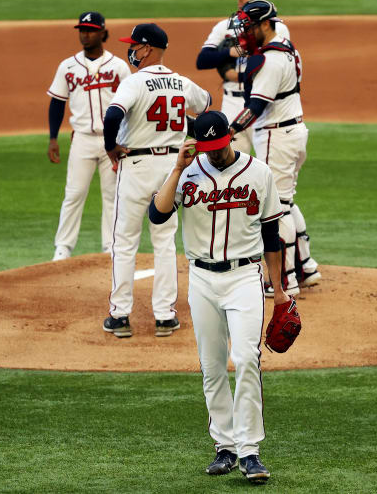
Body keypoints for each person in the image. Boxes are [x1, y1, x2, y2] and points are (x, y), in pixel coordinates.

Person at [149, 110, 289, 484]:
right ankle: (224, 448)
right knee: (212, 367)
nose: (214, 153)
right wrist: (177, 169)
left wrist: (278, 291)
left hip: (244, 276)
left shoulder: (259, 173)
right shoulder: (189, 172)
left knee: (246, 358)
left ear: (231, 136)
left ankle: (250, 452)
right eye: (206, 147)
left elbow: (273, 235)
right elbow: (157, 215)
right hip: (201, 279)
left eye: (219, 145)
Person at [102, 23, 211, 338]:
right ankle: (165, 317)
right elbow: (205, 105)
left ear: (147, 49)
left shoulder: (134, 82)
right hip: (172, 167)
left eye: (135, 46)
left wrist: (111, 148)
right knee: (164, 242)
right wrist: (182, 126)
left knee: (124, 242)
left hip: (136, 165)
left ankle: (120, 316)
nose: (132, 50)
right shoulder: (180, 81)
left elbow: (112, 117)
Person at [228, 0, 322, 296]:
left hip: (276, 136)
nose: (245, 32)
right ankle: (306, 267)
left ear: (265, 25)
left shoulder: (270, 60)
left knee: (276, 210)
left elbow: (256, 106)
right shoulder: (286, 45)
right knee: (287, 202)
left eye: (250, 26)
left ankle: (284, 281)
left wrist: (230, 130)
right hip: (294, 131)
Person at [47, 11, 131, 260]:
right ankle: (63, 248)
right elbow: (57, 103)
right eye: (82, 29)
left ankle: (110, 246)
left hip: (113, 142)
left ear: (103, 33)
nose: (85, 34)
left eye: (91, 29)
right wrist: (53, 138)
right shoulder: (68, 66)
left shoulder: (118, 67)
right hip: (82, 139)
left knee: (112, 195)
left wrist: (127, 140)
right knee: (73, 194)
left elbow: (131, 106)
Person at [196, 0, 290, 156]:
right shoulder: (225, 26)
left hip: (263, 103)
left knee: (268, 162)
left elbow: (275, 66)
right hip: (232, 103)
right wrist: (230, 53)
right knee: (231, 162)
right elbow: (202, 60)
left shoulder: (276, 29)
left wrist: (238, 74)